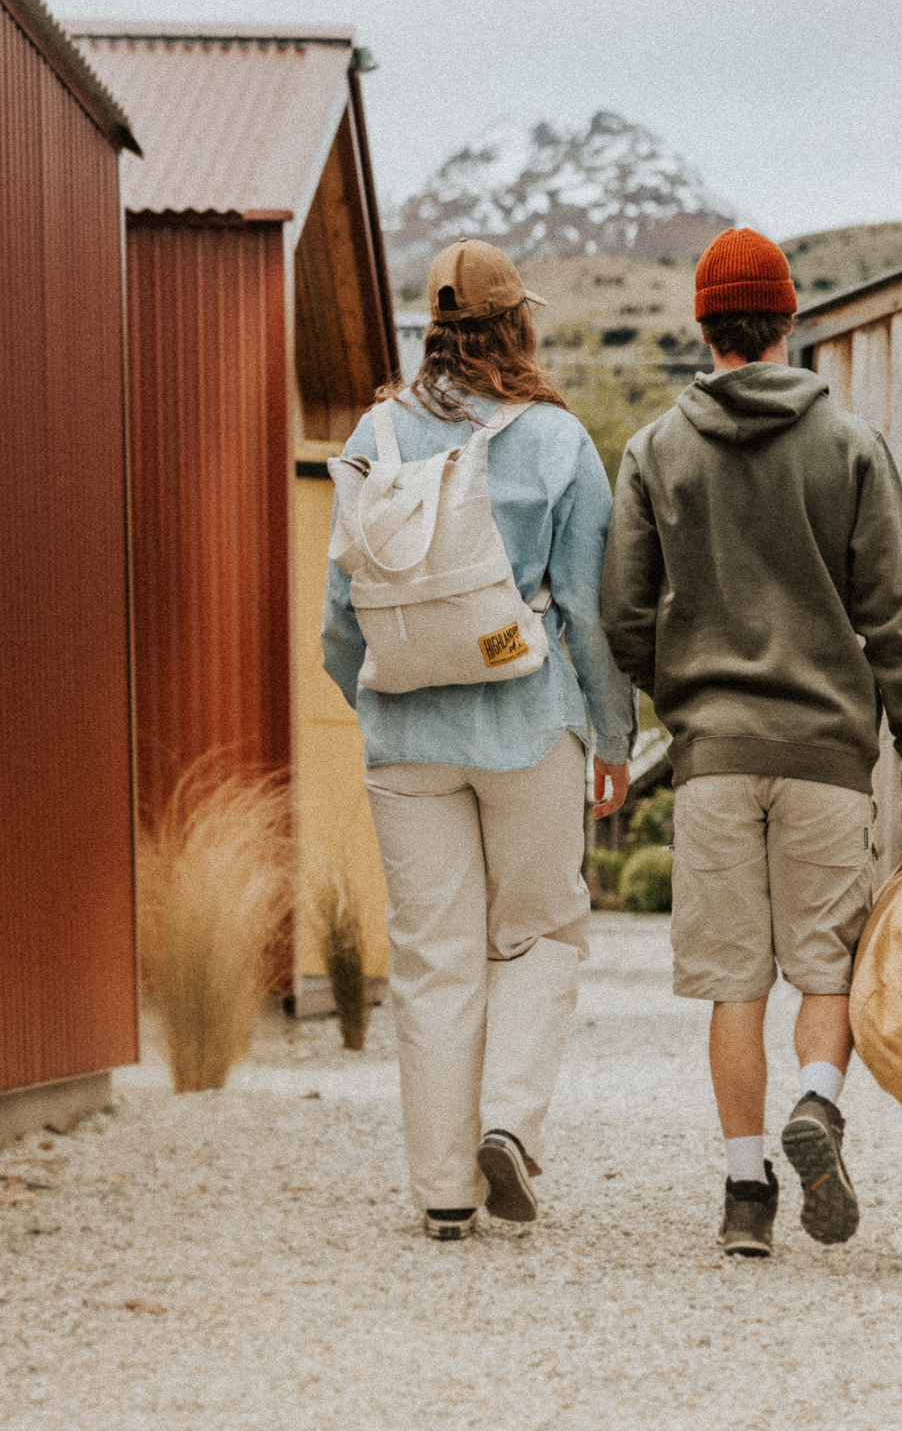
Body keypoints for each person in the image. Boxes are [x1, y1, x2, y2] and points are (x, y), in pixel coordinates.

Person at [600, 227, 902, 1258]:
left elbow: (620, 615)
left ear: (704, 327)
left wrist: (688, 701)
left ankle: (746, 1194)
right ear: (788, 321)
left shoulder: (657, 450)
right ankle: (818, 1101)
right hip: (829, 757)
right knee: (827, 970)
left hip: (711, 758)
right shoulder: (851, 444)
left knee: (732, 981)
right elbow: (896, 617)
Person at [322, 238, 634, 1242]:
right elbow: (586, 611)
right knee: (540, 930)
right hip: (527, 725)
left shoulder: (376, 433)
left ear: (435, 334)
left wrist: (377, 702)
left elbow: (341, 614)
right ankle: (507, 1121)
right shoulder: (556, 441)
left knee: (431, 955)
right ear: (518, 326)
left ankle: (445, 1193)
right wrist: (614, 734)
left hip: (406, 736)